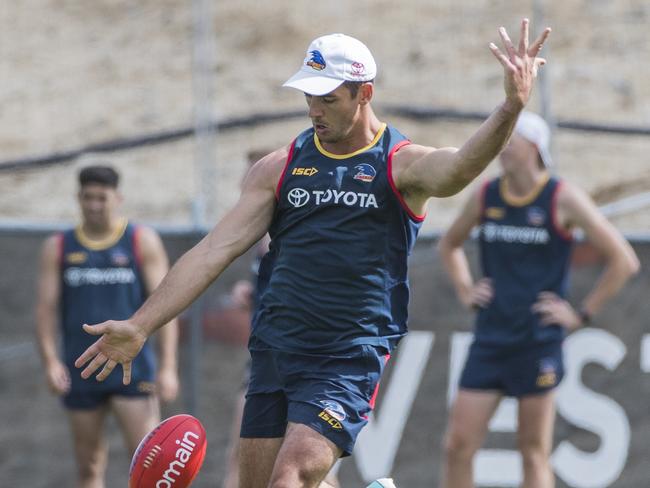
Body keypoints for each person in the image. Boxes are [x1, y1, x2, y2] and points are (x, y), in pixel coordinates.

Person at [74, 19, 551, 488]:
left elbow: (460, 168)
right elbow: (212, 250)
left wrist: (511, 106)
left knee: (291, 478)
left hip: (346, 354)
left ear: (364, 94)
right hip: (276, 350)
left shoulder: (399, 163)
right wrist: (140, 325)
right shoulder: (278, 168)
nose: (315, 110)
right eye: (309, 97)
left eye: (328, 98)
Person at [437, 111, 640, 488]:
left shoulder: (561, 197)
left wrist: (581, 314)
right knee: (457, 445)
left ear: (533, 146)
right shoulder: (487, 194)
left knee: (532, 451)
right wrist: (467, 289)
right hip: (490, 340)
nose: (501, 147)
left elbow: (623, 260)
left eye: (509, 139)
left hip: (536, 342)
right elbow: (449, 244)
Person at [35, 164, 179, 488]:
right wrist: (50, 361)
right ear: (78, 198)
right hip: (81, 369)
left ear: (118, 198)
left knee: (149, 467)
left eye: (102, 197)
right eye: (88, 197)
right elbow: (45, 310)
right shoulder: (58, 246)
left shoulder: (141, 241)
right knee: (89, 468)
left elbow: (165, 306)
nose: (95, 205)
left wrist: (168, 368)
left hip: (134, 369)